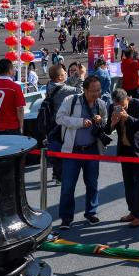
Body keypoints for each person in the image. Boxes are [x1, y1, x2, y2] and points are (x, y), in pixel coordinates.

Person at [56, 75, 108, 228]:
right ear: (85, 90)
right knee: (68, 186)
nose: (97, 93)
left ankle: (91, 213)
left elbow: (105, 123)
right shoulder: (71, 100)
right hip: (72, 150)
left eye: (99, 90)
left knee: (92, 184)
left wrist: (101, 120)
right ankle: (66, 218)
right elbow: (59, 118)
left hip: (92, 149)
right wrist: (79, 122)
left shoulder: (101, 104)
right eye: (93, 91)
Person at [109, 88, 139, 227]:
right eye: (117, 105)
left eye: (123, 105)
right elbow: (107, 129)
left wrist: (127, 118)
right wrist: (112, 123)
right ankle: (133, 211)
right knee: (128, 182)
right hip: (125, 149)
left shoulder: (137, 104)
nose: (121, 108)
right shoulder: (112, 107)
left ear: (127, 98)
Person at [43, 65, 81, 184]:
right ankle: (60, 176)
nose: (66, 73)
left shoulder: (50, 84)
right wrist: (81, 77)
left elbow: (66, 83)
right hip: (61, 123)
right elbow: (79, 91)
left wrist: (77, 74)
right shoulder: (63, 89)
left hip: (52, 122)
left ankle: (55, 174)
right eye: (64, 72)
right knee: (63, 148)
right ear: (59, 77)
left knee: (55, 146)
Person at [0, 58, 26, 135]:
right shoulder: (15, 87)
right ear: (9, 70)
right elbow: (20, 109)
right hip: (12, 128)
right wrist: (21, 127)